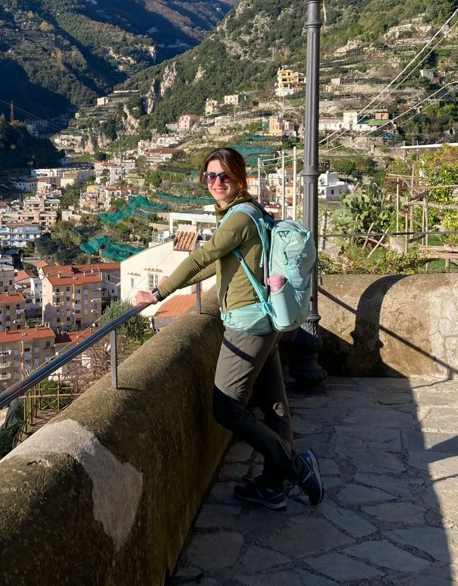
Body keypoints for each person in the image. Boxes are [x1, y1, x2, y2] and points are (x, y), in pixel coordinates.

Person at [133, 147, 323, 510]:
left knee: (225, 407)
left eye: (225, 176)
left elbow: (202, 256)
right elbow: (217, 265)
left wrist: (157, 293)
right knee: (273, 405)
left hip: (248, 324)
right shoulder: (249, 212)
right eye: (210, 176)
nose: (217, 183)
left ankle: (294, 467)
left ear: (239, 178)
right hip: (265, 320)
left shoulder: (238, 218)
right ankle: (272, 485)